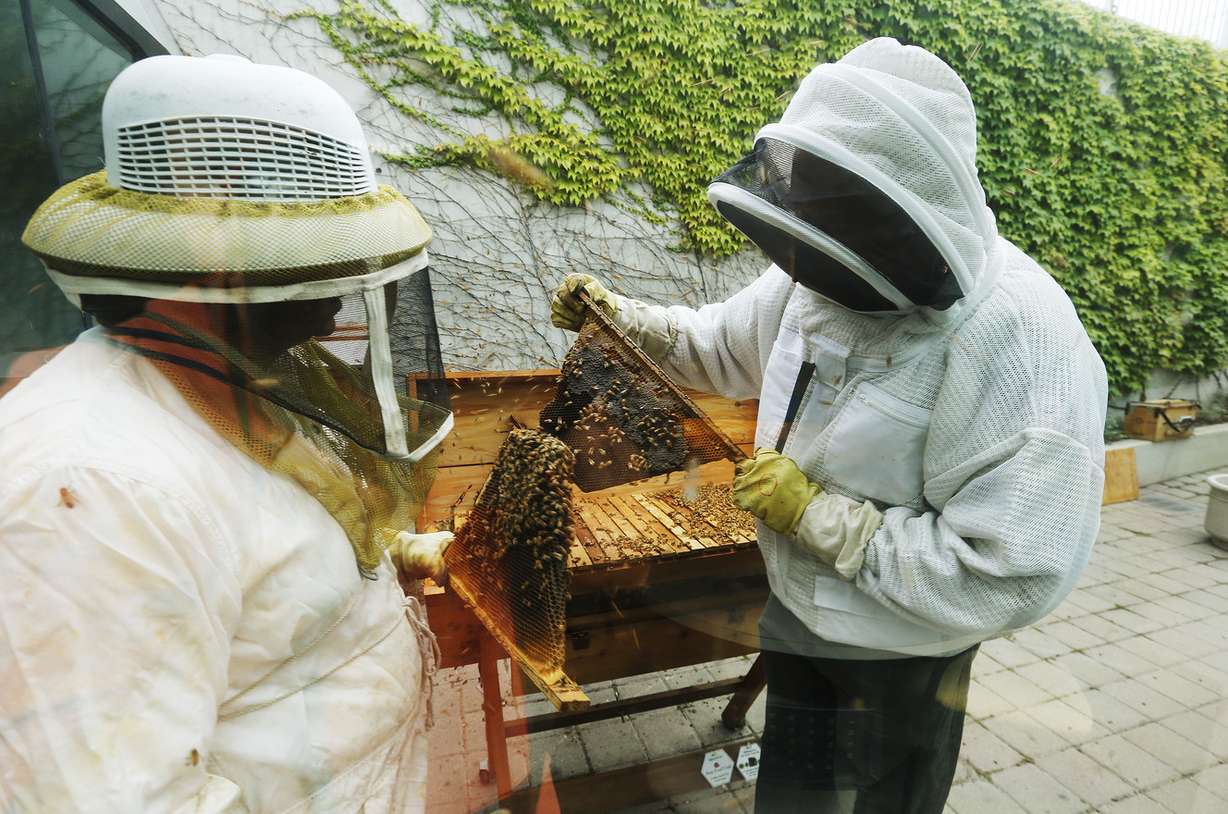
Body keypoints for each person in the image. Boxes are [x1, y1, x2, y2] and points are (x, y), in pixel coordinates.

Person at [552, 38, 1107, 812]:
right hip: (797, 617)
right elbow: (716, 345)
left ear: (898, 212)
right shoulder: (821, 267)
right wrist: (623, 322)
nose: (813, 260)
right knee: (796, 797)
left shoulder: (1022, 341)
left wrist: (822, 519)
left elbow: (1009, 571)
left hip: (902, 658)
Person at [0, 54, 455, 812]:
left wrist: (392, 560)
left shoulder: (242, 379)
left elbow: (261, 555)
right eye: (316, 268)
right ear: (213, 272)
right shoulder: (83, 490)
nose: (339, 305)